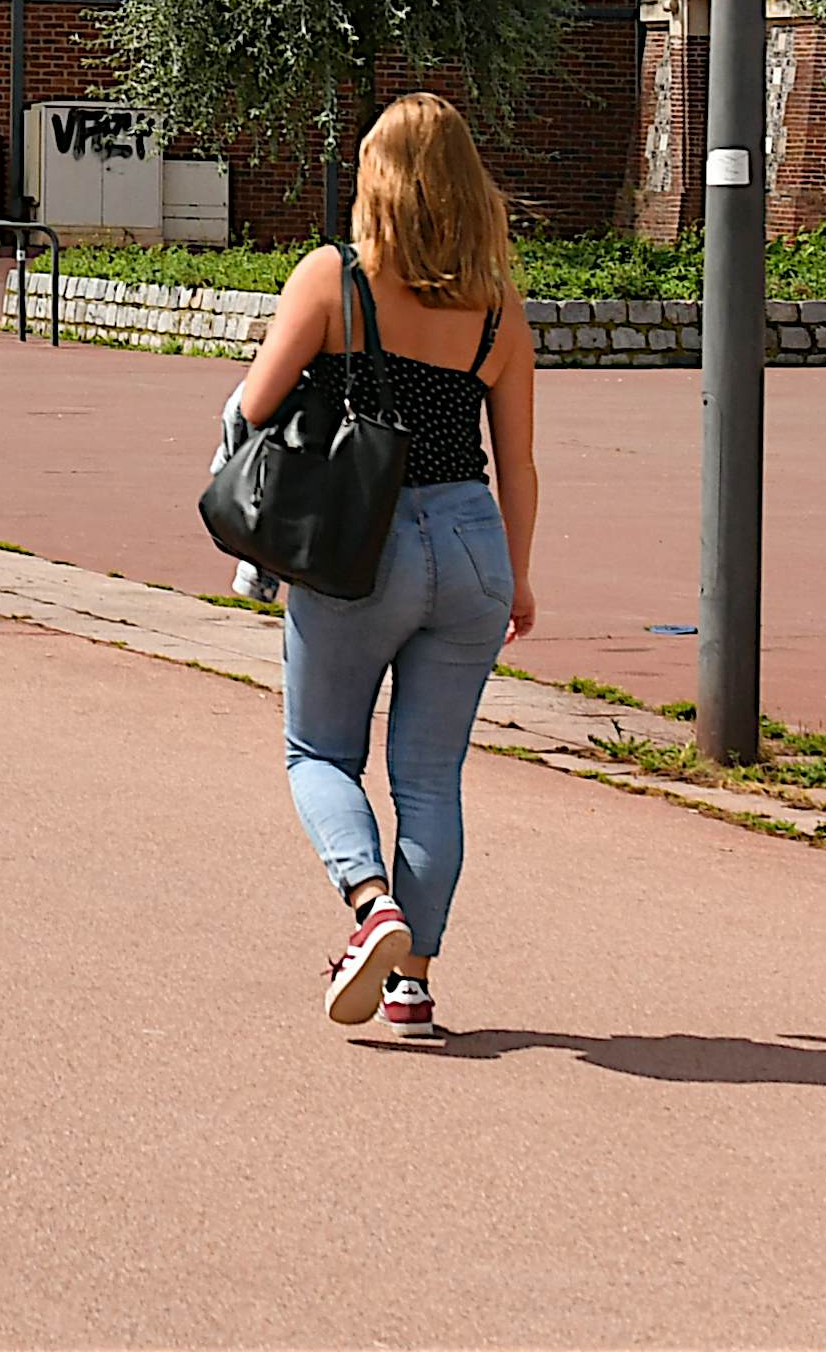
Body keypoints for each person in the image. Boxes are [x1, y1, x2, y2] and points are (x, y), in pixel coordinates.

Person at [228, 90, 540, 1038]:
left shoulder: (334, 279)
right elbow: (518, 460)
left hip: (360, 547)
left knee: (319, 750)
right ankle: (413, 982)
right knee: (431, 777)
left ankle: (375, 911)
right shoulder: (498, 309)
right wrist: (519, 578)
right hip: (473, 541)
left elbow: (251, 407)